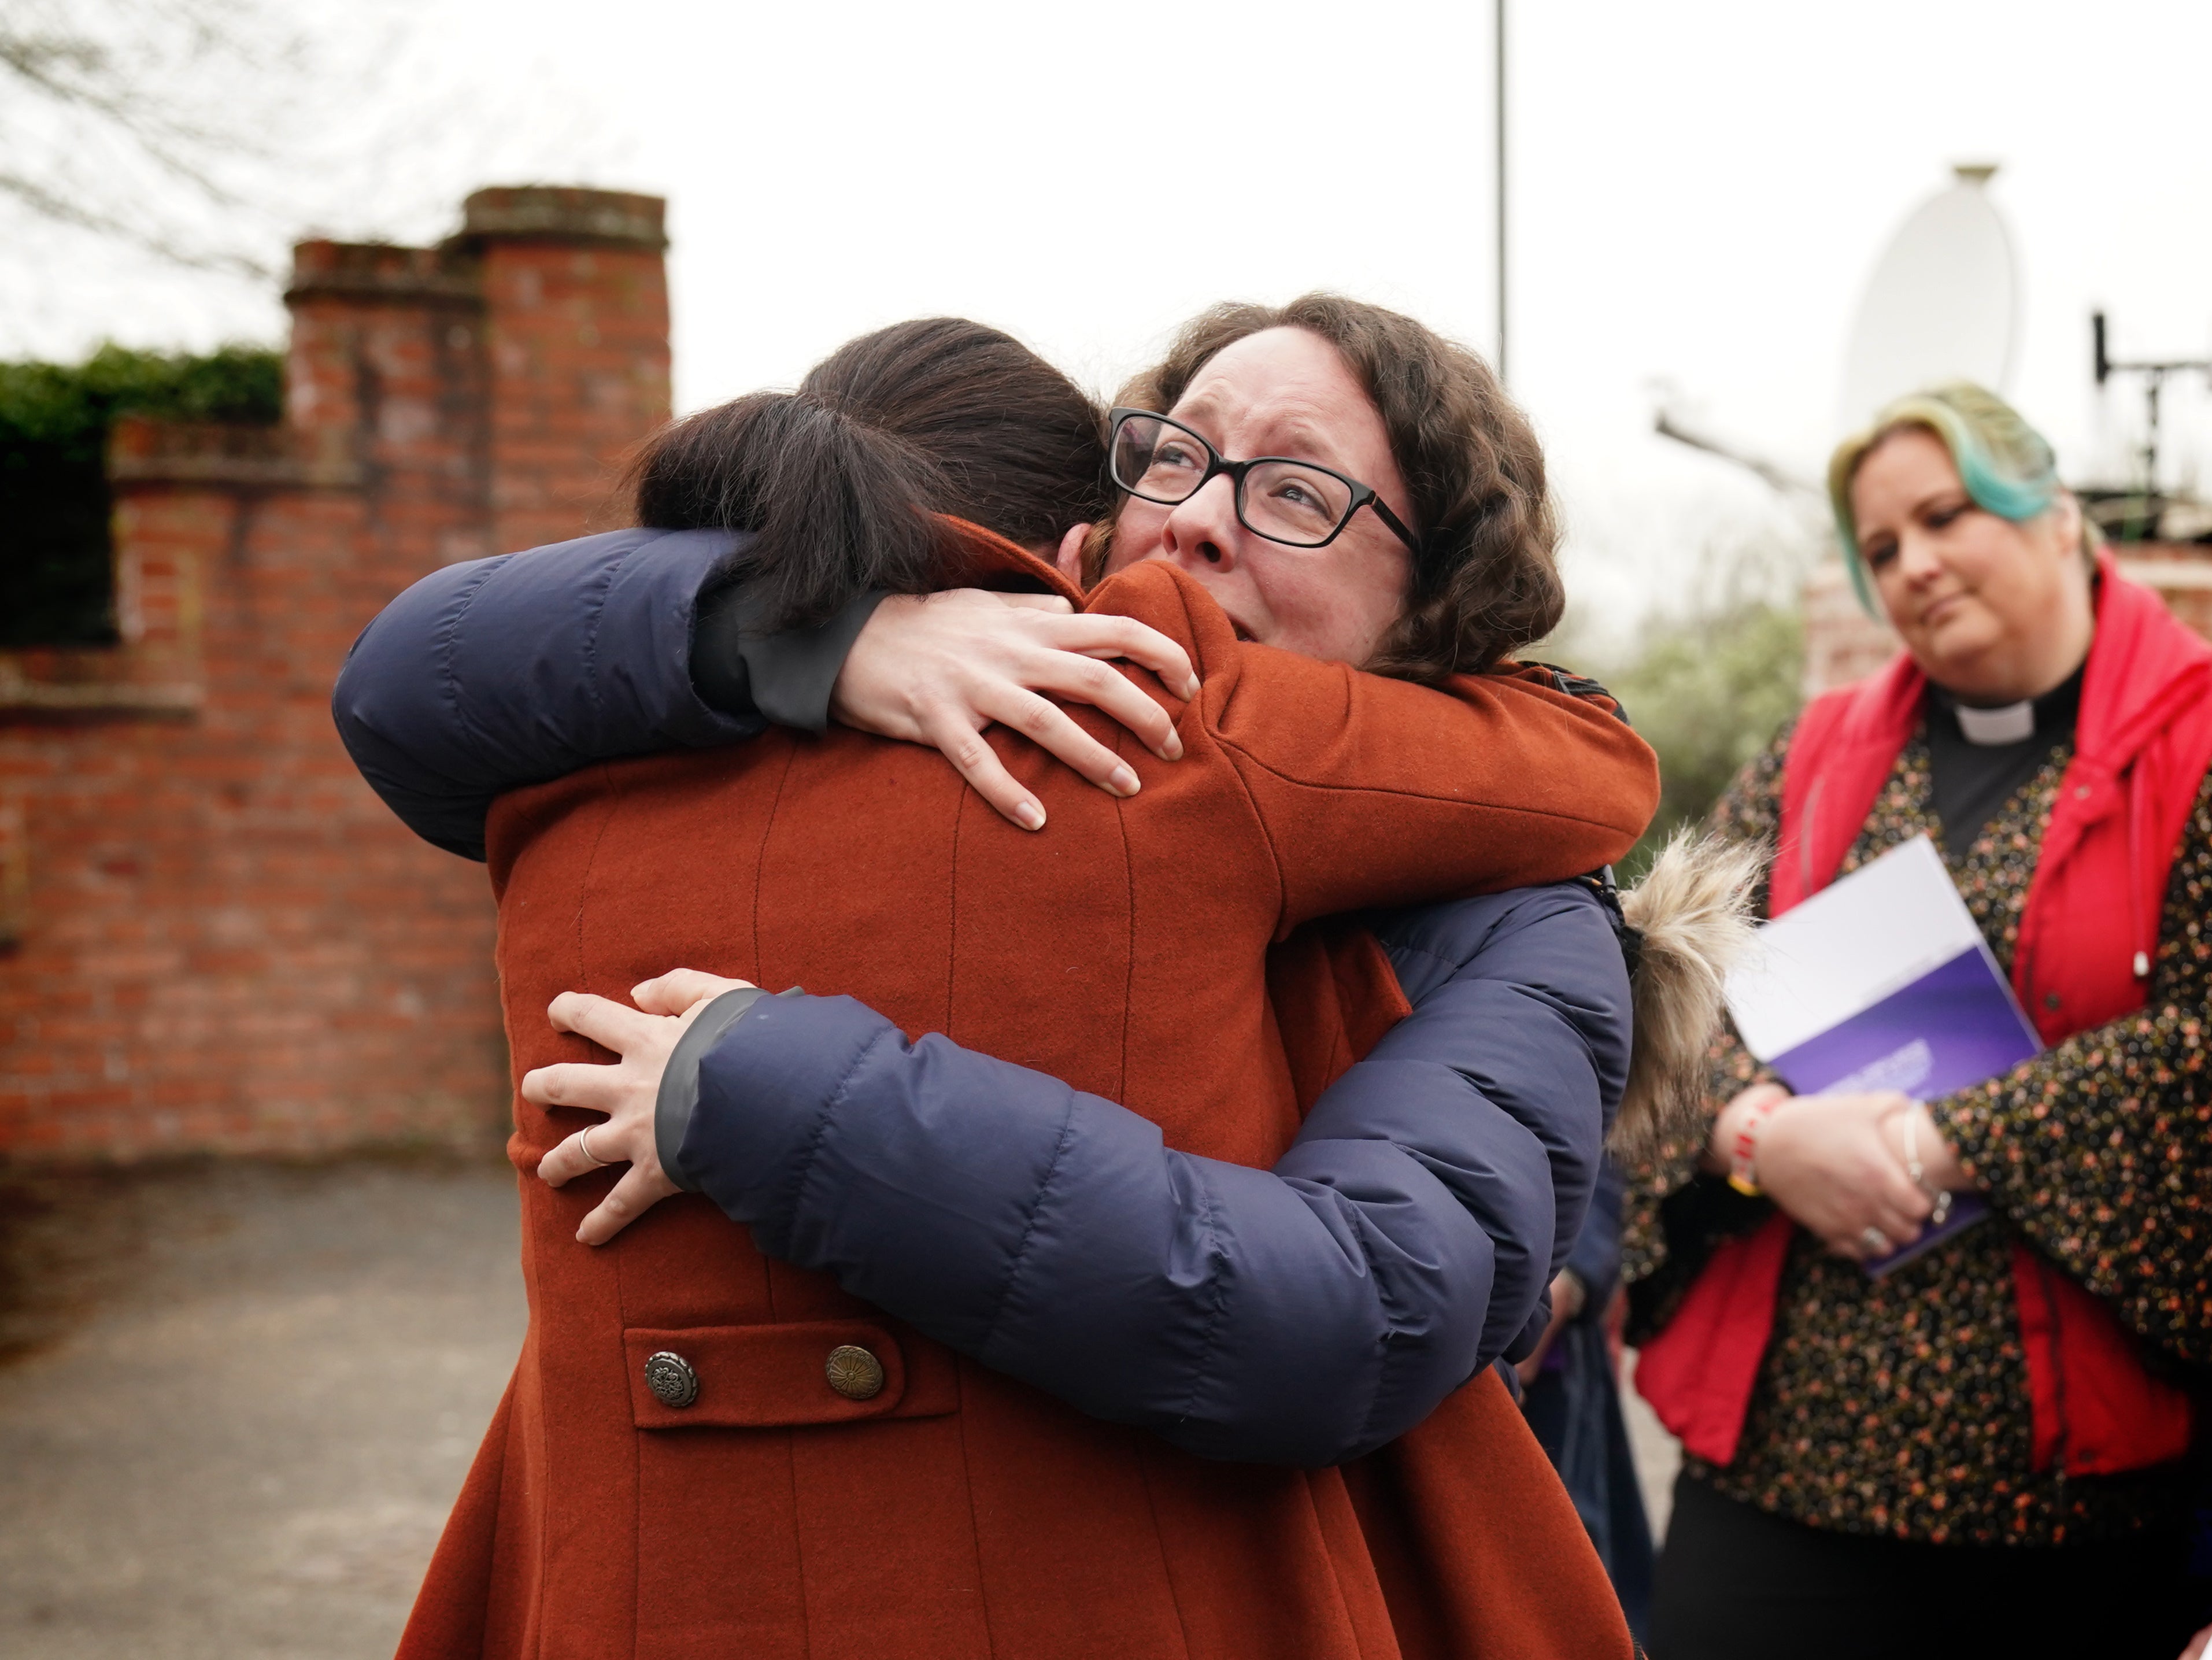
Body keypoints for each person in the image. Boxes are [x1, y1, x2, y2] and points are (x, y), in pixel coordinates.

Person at [338, 302, 1673, 1658]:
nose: (1203, 519)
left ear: (1438, 588)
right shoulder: (1001, 727)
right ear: (1089, 531)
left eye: (1294, 490)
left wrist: (779, 1096)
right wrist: (821, 640)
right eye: (1173, 456)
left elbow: (1359, 1307)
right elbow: (405, 676)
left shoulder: (1515, 912)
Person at [1622, 382, 2212, 1659]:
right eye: (1879, 547)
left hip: (2074, 1507)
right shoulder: (1816, 754)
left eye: (1943, 516)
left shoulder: (2198, 744)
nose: (1913, 564)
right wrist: (1755, 1136)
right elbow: (1670, 987)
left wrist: (1938, 1144)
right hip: (1788, 1471)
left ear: (2055, 513)